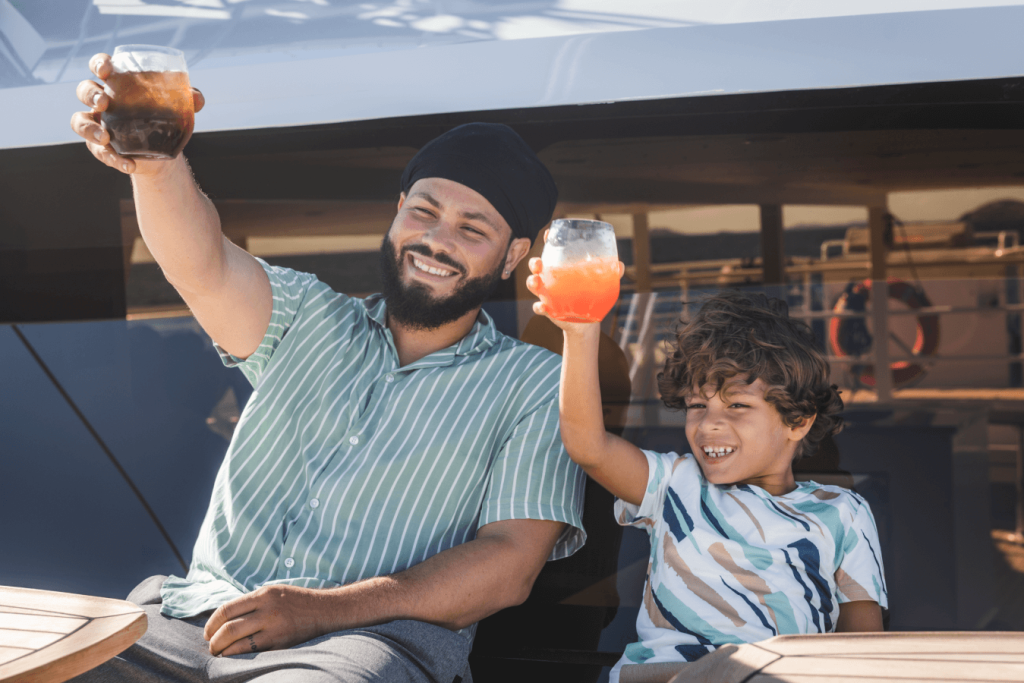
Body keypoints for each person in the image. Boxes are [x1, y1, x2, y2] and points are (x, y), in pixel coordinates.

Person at [69, 54, 586, 683]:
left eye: (472, 228)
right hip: (189, 618)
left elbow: (510, 565)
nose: (436, 240)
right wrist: (156, 167)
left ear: (514, 257)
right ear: (398, 209)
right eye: (424, 211)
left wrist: (321, 609)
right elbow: (203, 265)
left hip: (361, 645)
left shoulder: (534, 385)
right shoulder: (309, 316)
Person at [525, 272, 888, 683]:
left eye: (736, 405)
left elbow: (863, 650)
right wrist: (580, 332)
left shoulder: (843, 512)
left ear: (798, 420)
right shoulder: (674, 483)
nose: (709, 424)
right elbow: (589, 446)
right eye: (697, 405)